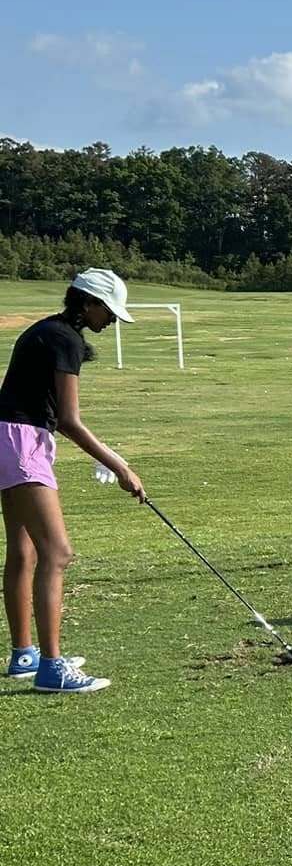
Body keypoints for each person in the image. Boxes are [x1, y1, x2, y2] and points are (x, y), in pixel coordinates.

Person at [2, 269, 147, 693]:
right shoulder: (64, 339)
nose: (112, 320)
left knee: (24, 551)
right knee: (58, 552)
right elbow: (69, 420)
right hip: (22, 441)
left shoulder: (47, 330)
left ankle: (24, 654)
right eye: (109, 311)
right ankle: (51, 667)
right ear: (86, 302)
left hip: (7, 437)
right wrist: (121, 466)